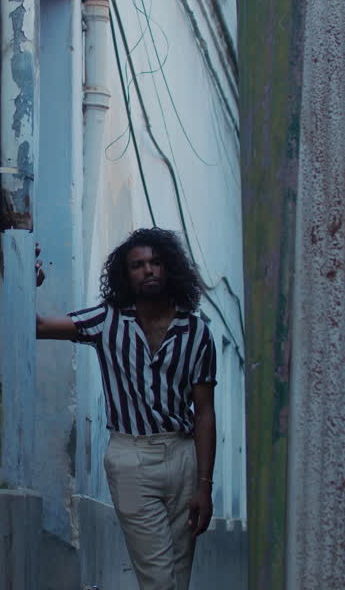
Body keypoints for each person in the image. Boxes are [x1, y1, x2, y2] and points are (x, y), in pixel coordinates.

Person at [36, 228, 216, 590]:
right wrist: (31, 277)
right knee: (158, 577)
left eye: (155, 263)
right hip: (131, 456)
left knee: (178, 576)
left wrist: (204, 487)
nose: (148, 270)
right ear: (126, 274)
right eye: (137, 265)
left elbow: (204, 412)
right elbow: (39, 327)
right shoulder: (108, 320)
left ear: (169, 269)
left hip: (182, 456)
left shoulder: (196, 332)